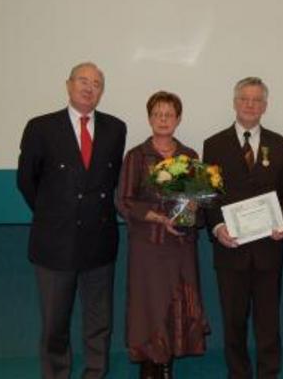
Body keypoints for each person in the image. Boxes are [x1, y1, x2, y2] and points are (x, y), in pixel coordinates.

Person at [17, 62, 127, 379]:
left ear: (101, 92)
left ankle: (95, 372)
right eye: (83, 80)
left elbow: (110, 179)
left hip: (100, 242)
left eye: (96, 83)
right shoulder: (40, 127)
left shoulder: (115, 128)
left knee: (99, 321)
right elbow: (26, 180)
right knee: (55, 324)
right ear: (68, 85)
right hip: (55, 243)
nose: (89, 87)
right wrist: (53, 214)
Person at [202, 76, 283, 379]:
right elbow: (209, 195)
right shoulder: (214, 144)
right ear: (235, 102)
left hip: (269, 249)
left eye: (257, 100)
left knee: (268, 323)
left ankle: (269, 373)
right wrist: (218, 228)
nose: (250, 104)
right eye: (244, 98)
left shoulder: (280, 144)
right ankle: (239, 374)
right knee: (234, 322)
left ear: (265, 106)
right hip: (230, 250)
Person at [116, 91, 210, 379]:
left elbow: (202, 203)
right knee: (149, 305)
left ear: (179, 119)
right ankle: (149, 364)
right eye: (158, 114)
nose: (163, 119)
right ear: (149, 118)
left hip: (180, 246)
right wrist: (158, 217)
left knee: (178, 303)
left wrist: (194, 207)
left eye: (169, 114)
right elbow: (124, 201)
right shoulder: (136, 156)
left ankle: (167, 362)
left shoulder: (190, 156)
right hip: (149, 247)